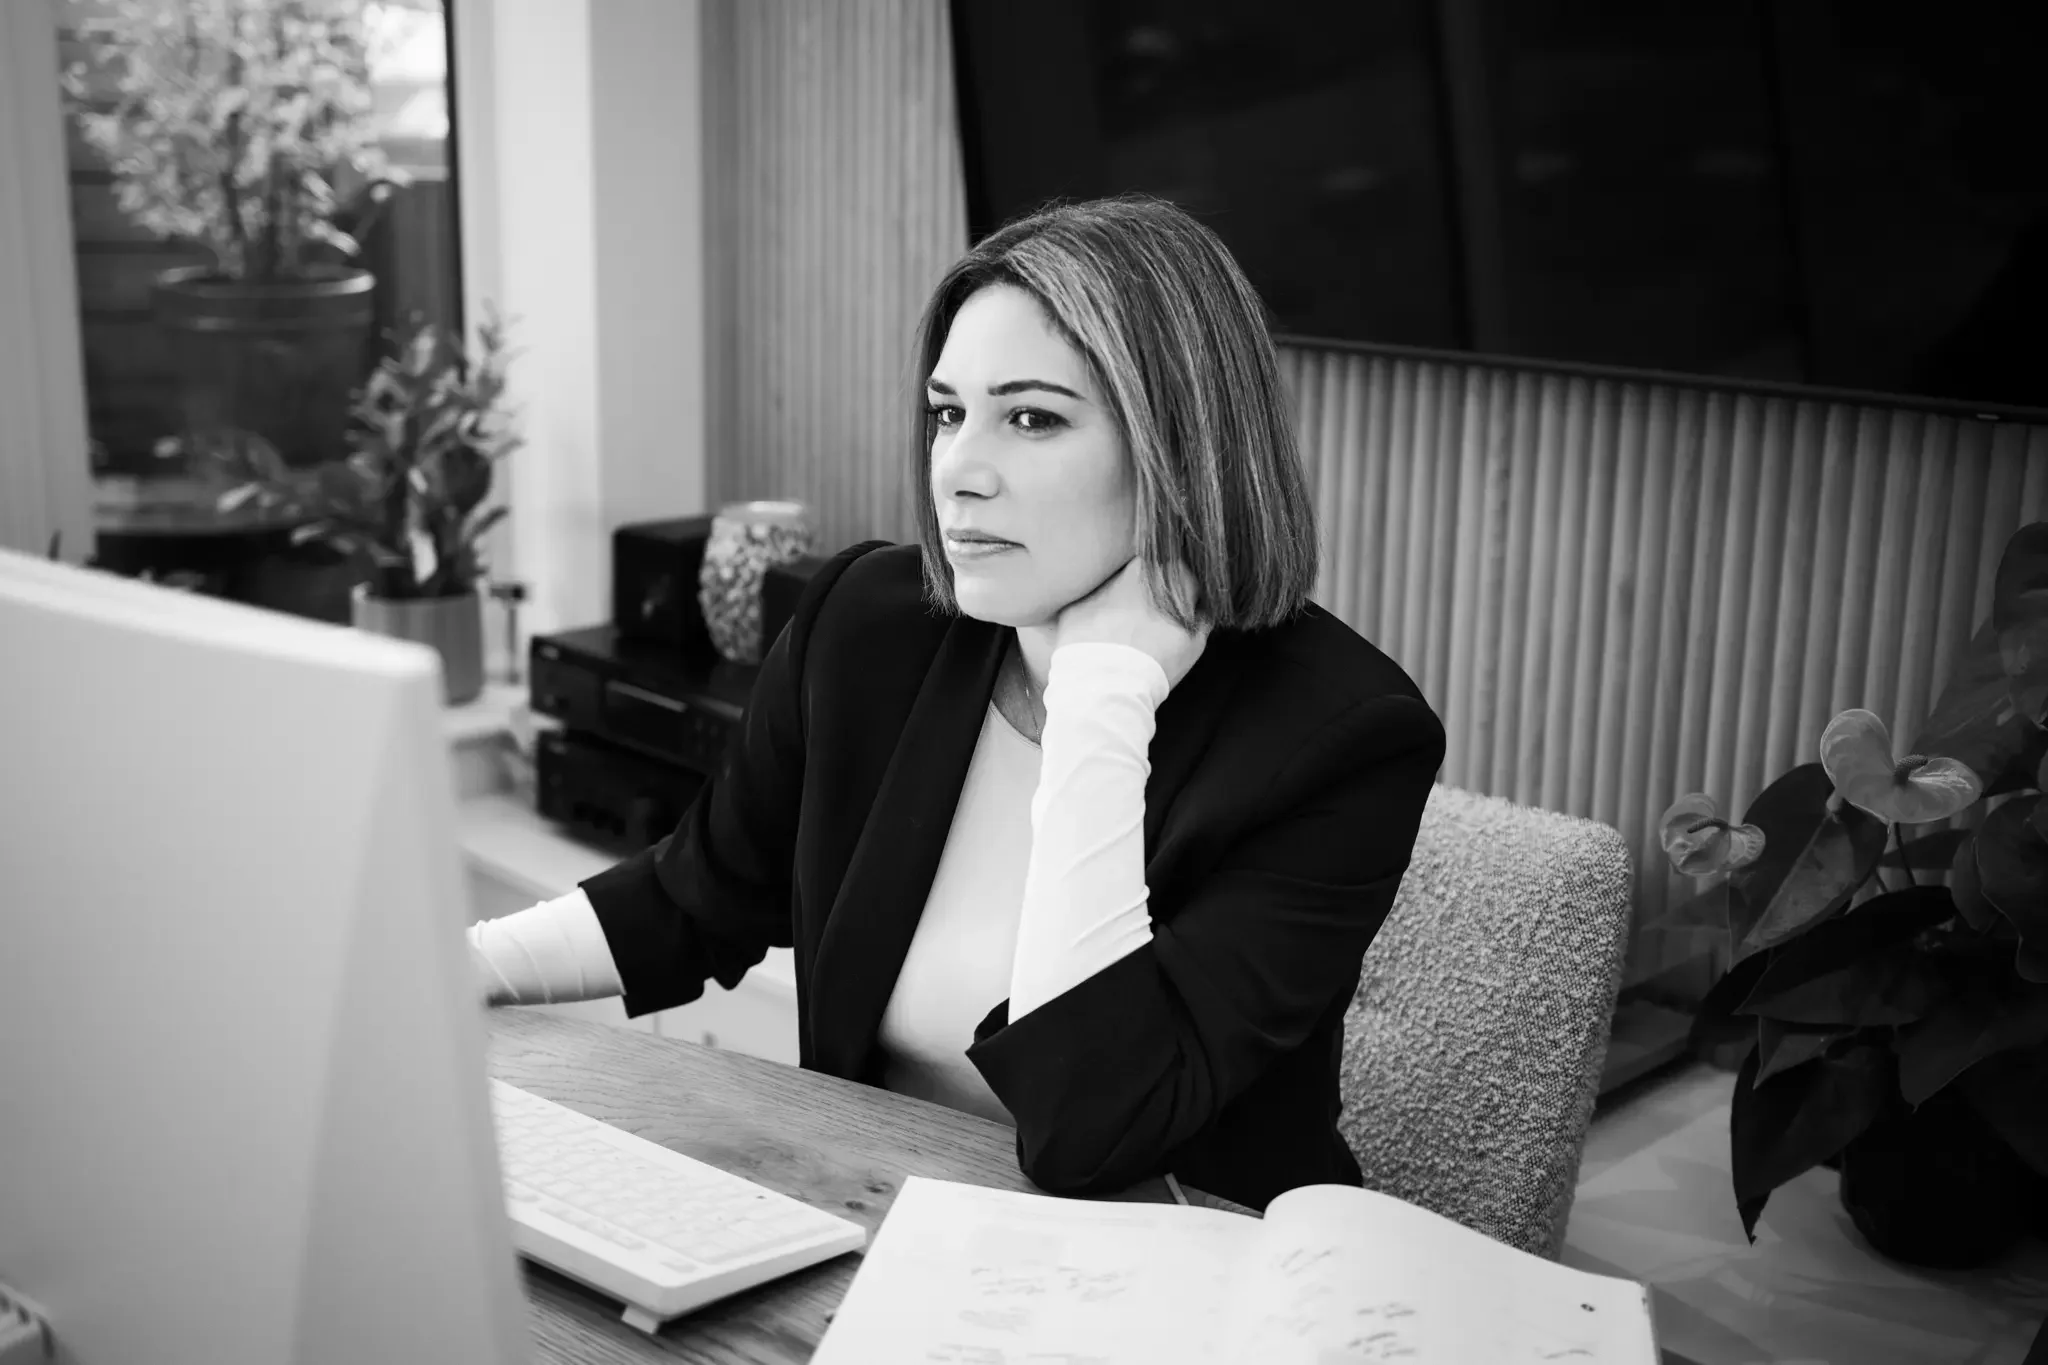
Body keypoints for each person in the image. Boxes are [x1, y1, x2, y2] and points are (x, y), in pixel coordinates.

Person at [469, 193, 1446, 1213]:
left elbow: (1088, 1120)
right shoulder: (867, 625)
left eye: (1030, 418)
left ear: (1180, 449)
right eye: (948, 413)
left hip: (1182, 1262)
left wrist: (1103, 700)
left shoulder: (1341, 738)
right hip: (880, 1223)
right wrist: (453, 968)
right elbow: (693, 897)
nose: (959, 473)